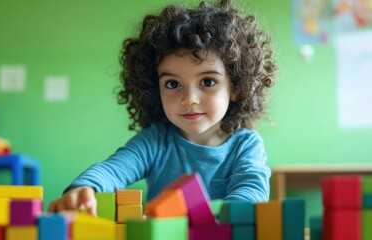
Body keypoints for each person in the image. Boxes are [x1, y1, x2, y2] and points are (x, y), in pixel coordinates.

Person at [48, 0, 277, 215]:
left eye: (207, 82)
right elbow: (113, 169)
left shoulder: (246, 146)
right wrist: (86, 187)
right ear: (155, 88)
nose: (190, 99)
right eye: (173, 84)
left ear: (235, 87)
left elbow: (251, 193)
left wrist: (216, 224)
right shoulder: (155, 142)